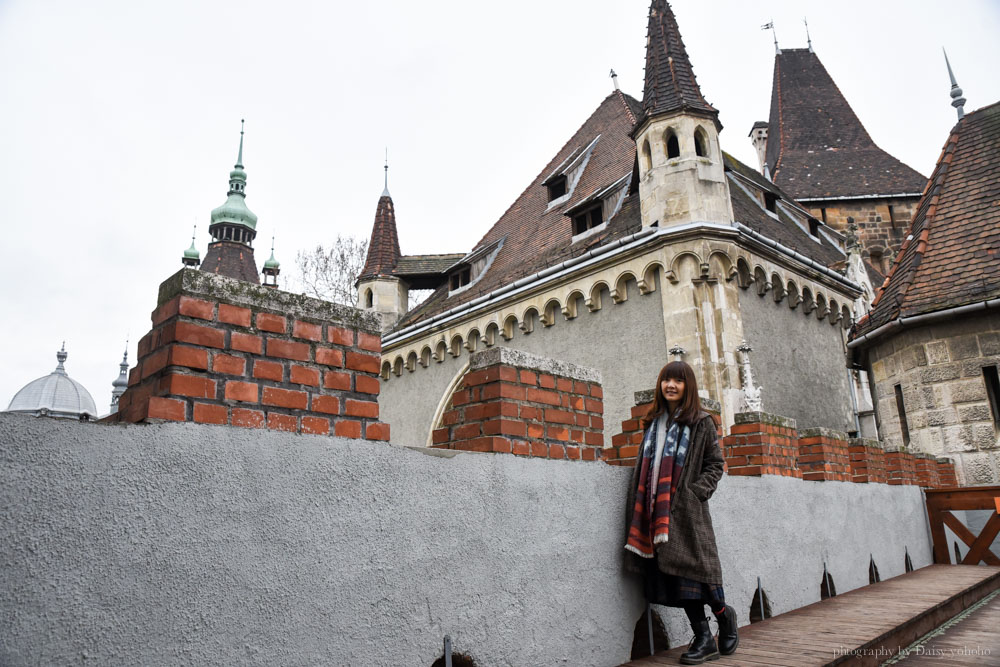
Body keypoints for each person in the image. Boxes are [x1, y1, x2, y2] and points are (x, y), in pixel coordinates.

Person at [623, 361, 737, 664]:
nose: (670, 385)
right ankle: (703, 638)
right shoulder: (653, 422)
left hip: (687, 512)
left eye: (678, 381)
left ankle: (725, 617)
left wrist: (694, 493)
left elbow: (715, 465)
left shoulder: (702, 422)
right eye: (666, 380)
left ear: (688, 387)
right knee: (679, 579)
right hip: (656, 513)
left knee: (702, 574)